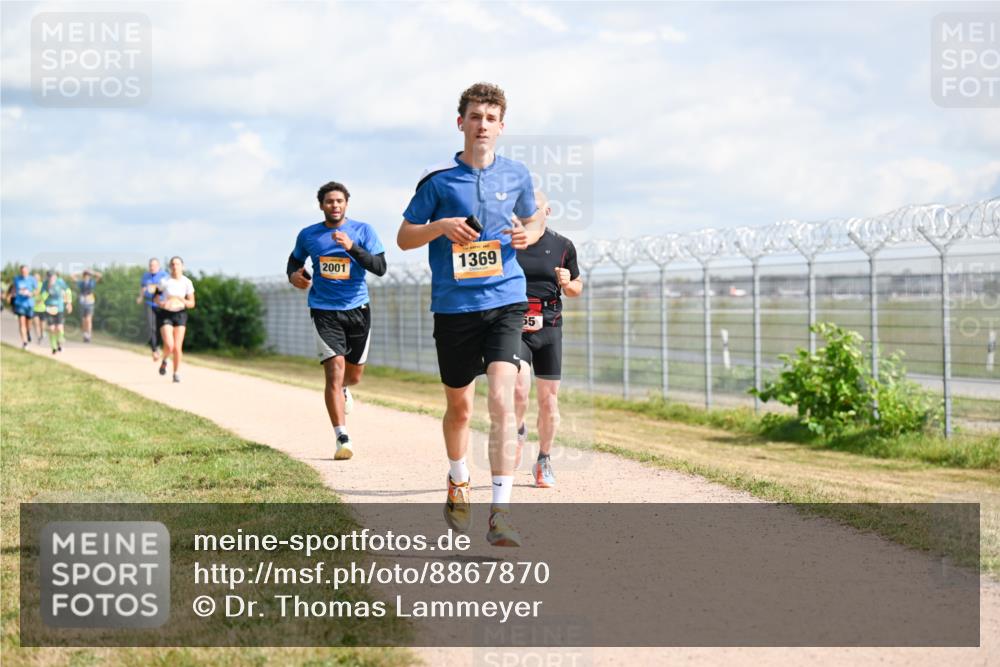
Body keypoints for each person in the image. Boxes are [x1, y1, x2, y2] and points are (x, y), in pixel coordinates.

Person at [397, 82, 543, 547]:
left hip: (505, 298)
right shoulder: (437, 180)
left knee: (502, 399)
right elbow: (404, 237)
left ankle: (500, 512)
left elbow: (536, 216)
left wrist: (530, 234)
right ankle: (458, 478)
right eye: (475, 116)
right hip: (455, 306)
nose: (483, 125)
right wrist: (439, 226)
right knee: (459, 408)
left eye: (491, 118)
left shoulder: (517, 174)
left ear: (502, 126)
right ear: (460, 123)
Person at [287, 181, 387, 461]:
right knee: (334, 370)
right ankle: (342, 436)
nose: (334, 205)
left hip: (358, 308)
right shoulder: (309, 235)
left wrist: (352, 247)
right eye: (329, 201)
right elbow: (294, 261)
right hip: (323, 309)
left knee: (352, 376)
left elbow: (380, 267)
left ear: (346, 204)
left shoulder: (363, 231)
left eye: (339, 201)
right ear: (321, 205)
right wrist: (294, 275)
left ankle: (344, 389)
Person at [513, 191, 583, 488]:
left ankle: (543, 459)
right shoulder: (508, 243)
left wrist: (568, 284)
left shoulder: (562, 246)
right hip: (513, 325)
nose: (528, 212)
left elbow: (577, 286)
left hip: (549, 327)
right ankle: (516, 431)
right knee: (517, 387)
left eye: (534, 207)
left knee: (548, 401)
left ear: (548, 211)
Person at [154, 256, 195, 383]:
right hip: (166, 314)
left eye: (177, 264)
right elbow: (155, 298)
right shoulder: (164, 281)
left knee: (177, 347)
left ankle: (176, 373)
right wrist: (162, 304)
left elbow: (192, 303)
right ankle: (165, 359)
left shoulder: (187, 282)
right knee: (170, 345)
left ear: (182, 266)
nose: (174, 266)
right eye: (172, 264)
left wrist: (180, 299)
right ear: (170, 266)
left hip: (180, 314)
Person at [138, 258, 168, 361]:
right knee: (151, 327)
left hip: (160, 305)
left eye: (154, 265)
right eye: (150, 265)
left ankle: (159, 346)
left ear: (158, 266)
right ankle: (154, 349)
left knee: (161, 328)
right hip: (149, 303)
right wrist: (140, 297)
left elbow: (168, 289)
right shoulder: (145, 276)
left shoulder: (165, 275)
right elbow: (143, 287)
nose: (152, 267)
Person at [9, 265, 38, 350]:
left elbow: (36, 291)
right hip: (19, 303)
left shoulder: (32, 279)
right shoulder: (17, 279)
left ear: (28, 271)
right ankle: (24, 342)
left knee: (28, 323)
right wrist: (12, 294)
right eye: (22, 272)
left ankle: (28, 331)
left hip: (29, 304)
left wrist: (31, 294)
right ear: (20, 271)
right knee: (22, 323)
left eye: (25, 272)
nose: (23, 273)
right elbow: (14, 288)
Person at [42, 271, 71, 354]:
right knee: (51, 328)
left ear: (55, 276)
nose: (51, 278)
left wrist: (68, 303)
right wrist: (48, 288)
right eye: (50, 277)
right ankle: (53, 346)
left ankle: (60, 341)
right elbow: (42, 295)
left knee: (59, 327)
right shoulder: (45, 284)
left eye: (53, 276)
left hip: (59, 308)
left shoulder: (60, 282)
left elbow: (67, 291)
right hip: (49, 308)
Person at [73, 269, 102, 342]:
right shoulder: (80, 283)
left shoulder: (92, 282)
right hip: (82, 302)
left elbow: (100, 276)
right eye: (85, 275)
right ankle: (85, 334)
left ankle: (89, 335)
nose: (87, 277)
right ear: (83, 276)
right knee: (83, 320)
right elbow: (72, 276)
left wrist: (92, 272)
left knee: (88, 319)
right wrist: (81, 272)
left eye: (88, 276)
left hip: (90, 302)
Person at [32, 272, 47, 344]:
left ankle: (42, 333)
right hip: (34, 308)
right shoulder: (31, 285)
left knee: (42, 324)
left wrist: (40, 300)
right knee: (36, 323)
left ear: (39, 278)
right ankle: (38, 337)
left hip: (42, 308)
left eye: (36, 277)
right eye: (34, 277)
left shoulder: (42, 285)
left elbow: (45, 294)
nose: (35, 279)